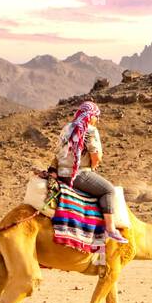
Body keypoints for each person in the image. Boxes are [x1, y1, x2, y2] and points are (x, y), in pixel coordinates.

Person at [55, 101, 127, 243]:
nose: (97, 121)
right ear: (91, 116)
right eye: (96, 117)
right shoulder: (90, 130)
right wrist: (94, 165)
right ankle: (111, 230)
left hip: (61, 174)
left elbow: (57, 152)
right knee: (108, 190)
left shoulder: (67, 128)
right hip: (78, 174)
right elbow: (96, 155)